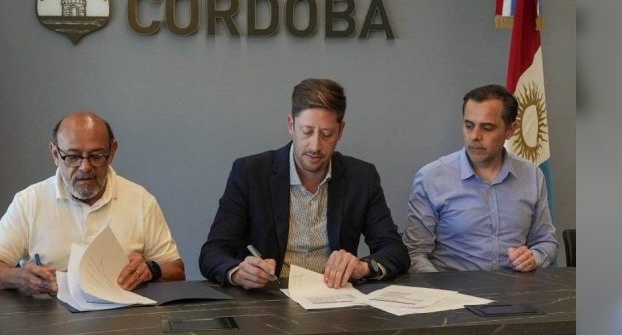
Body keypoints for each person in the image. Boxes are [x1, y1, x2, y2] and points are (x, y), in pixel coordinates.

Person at [199, 78, 409, 289]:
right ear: (291, 125)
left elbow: (395, 249)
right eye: (307, 132)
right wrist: (238, 273)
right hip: (270, 297)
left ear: (340, 131)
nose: (315, 146)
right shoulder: (250, 173)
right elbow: (212, 252)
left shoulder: (361, 177)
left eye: (327, 134)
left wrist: (363, 267)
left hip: (335, 297)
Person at [0, 111, 185, 295]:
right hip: (49, 317)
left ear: (112, 152)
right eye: (73, 157)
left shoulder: (140, 200)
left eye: (96, 156)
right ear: (55, 154)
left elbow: (176, 269)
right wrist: (19, 277)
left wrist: (152, 270)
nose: (85, 167)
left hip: (123, 316)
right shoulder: (29, 201)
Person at [403, 84, 558, 273]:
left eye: (487, 128)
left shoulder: (532, 176)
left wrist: (534, 257)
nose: (475, 136)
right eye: (469, 126)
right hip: (452, 286)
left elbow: (546, 242)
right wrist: (440, 289)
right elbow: (415, 254)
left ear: (510, 130)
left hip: (516, 287)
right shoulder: (431, 178)